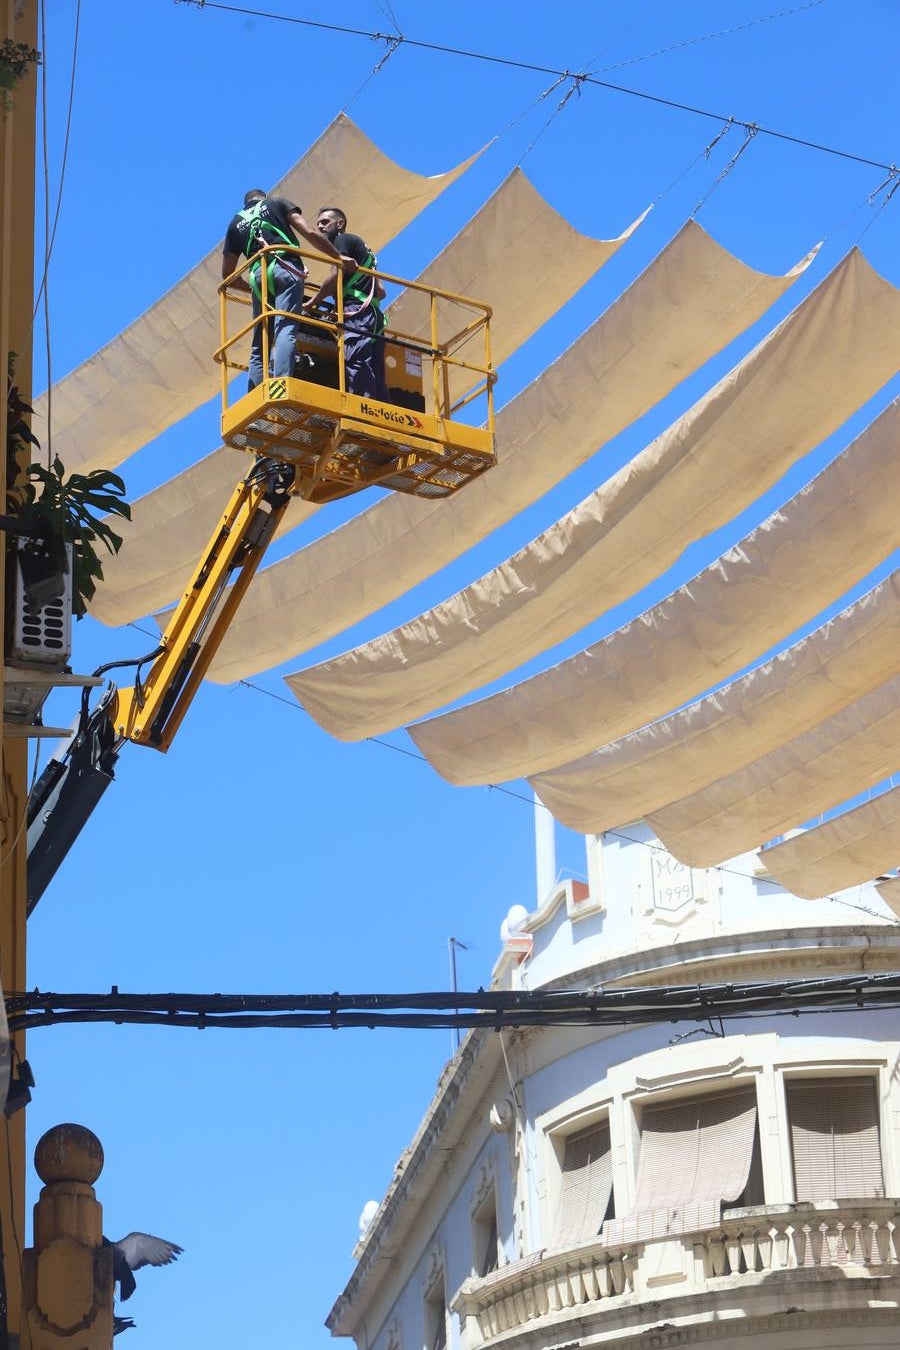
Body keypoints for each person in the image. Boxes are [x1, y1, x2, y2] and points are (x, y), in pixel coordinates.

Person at [222, 190, 350, 391]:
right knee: (285, 329)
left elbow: (227, 274)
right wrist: (337, 256)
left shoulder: (234, 224)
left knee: (260, 343)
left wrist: (251, 288)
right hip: (286, 267)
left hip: (259, 277)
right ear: (265, 198)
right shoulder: (277, 203)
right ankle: (281, 386)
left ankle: (255, 394)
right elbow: (309, 232)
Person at [304, 207, 388, 401]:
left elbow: (334, 276)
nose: (320, 227)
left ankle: (361, 408)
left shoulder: (342, 241)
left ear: (339, 224)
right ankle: (382, 413)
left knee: (356, 360)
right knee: (376, 369)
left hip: (356, 312)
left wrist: (312, 304)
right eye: (318, 224)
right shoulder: (367, 253)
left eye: (325, 222)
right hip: (374, 315)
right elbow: (382, 292)